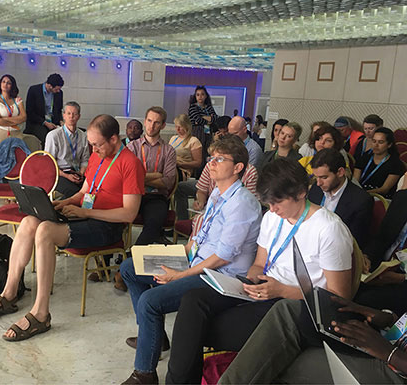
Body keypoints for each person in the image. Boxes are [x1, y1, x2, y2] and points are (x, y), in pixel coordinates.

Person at [166, 158, 354, 384]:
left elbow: (339, 297)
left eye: (278, 202)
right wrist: (253, 277)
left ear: (302, 192)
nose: (273, 209)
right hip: (263, 289)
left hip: (295, 305)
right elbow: (259, 263)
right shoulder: (272, 217)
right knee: (193, 300)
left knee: (197, 332)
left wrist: (281, 290)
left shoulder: (329, 229)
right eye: (269, 203)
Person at [0, 114, 145, 341]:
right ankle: (9, 293)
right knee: (29, 222)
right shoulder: (98, 157)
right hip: (85, 216)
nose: (93, 150)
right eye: (91, 145)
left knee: (44, 231)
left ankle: (41, 313)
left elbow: (129, 213)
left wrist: (86, 212)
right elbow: (85, 192)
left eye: (97, 145)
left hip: (107, 227)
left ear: (114, 139)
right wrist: (64, 203)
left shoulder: (131, 164)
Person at [120, 135, 262, 385]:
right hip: (196, 260)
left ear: (238, 167)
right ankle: (154, 336)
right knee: (130, 268)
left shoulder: (242, 203)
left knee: (150, 301)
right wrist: (178, 253)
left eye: (219, 159)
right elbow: (202, 237)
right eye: (211, 158)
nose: (211, 163)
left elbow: (223, 257)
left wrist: (180, 274)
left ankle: (144, 374)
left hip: (219, 277)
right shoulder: (218, 193)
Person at [219, 298, 407, 384]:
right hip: (388, 344)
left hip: (395, 369)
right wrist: (387, 318)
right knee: (291, 310)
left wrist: (391, 354)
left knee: (283, 358)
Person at [355, 177, 407, 316]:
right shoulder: (402, 198)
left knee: (363, 301)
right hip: (381, 267)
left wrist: (399, 278)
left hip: (402, 279)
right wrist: (367, 256)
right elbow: (381, 237)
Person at [127, 107, 177, 245]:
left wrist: (140, 178)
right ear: (144, 121)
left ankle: (133, 257)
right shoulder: (132, 147)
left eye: (156, 122)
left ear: (163, 125)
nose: (151, 126)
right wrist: (156, 175)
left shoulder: (169, 151)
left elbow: (167, 182)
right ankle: (109, 258)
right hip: (133, 194)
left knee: (154, 224)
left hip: (156, 197)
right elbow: (127, 177)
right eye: (149, 121)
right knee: (113, 218)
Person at [308, 148, 373, 249]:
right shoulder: (316, 189)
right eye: (316, 177)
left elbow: (354, 241)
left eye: (324, 177)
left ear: (340, 172)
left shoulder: (361, 201)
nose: (318, 183)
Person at [44, 101, 91, 198]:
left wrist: (81, 173)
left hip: (77, 172)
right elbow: (49, 164)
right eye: (68, 113)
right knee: (76, 194)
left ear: (79, 116)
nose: (71, 116)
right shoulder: (54, 135)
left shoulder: (83, 136)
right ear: (64, 115)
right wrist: (66, 176)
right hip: (59, 174)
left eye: (75, 114)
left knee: (92, 190)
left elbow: (85, 159)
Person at [354, 127, 405, 198]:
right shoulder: (365, 157)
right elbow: (355, 180)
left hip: (380, 198)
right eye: (374, 141)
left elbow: (384, 189)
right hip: (359, 193)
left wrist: (363, 193)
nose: (376, 145)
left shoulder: (395, 164)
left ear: (389, 144)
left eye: (380, 142)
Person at [170, 114, 202, 220]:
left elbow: (198, 163)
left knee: (167, 178)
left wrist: (180, 164)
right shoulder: (173, 138)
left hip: (183, 170)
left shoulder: (193, 141)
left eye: (180, 126)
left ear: (187, 126)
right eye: (176, 126)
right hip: (171, 167)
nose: (178, 129)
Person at [0, 74, 26, 154]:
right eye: (3, 82)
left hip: (16, 133)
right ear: (0, 84)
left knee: (18, 159)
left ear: (12, 86)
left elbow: (23, 117)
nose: (5, 84)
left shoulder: (18, 100)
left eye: (8, 83)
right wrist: (16, 120)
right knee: (1, 160)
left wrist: (4, 119)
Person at [24, 73, 64, 146]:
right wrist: (45, 123)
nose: (58, 91)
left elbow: (59, 110)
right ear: (50, 86)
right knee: (47, 137)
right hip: (37, 123)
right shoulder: (34, 90)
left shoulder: (59, 93)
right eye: (57, 89)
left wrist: (61, 121)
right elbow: (30, 112)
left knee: (62, 135)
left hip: (53, 122)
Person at [188, 86, 217, 172]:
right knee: (198, 153)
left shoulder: (209, 107)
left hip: (208, 133)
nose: (200, 97)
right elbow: (198, 120)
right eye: (198, 95)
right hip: (197, 132)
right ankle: (197, 174)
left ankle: (205, 173)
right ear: (195, 96)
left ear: (206, 96)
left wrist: (204, 118)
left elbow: (215, 118)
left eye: (202, 94)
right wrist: (208, 119)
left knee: (207, 152)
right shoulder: (193, 107)